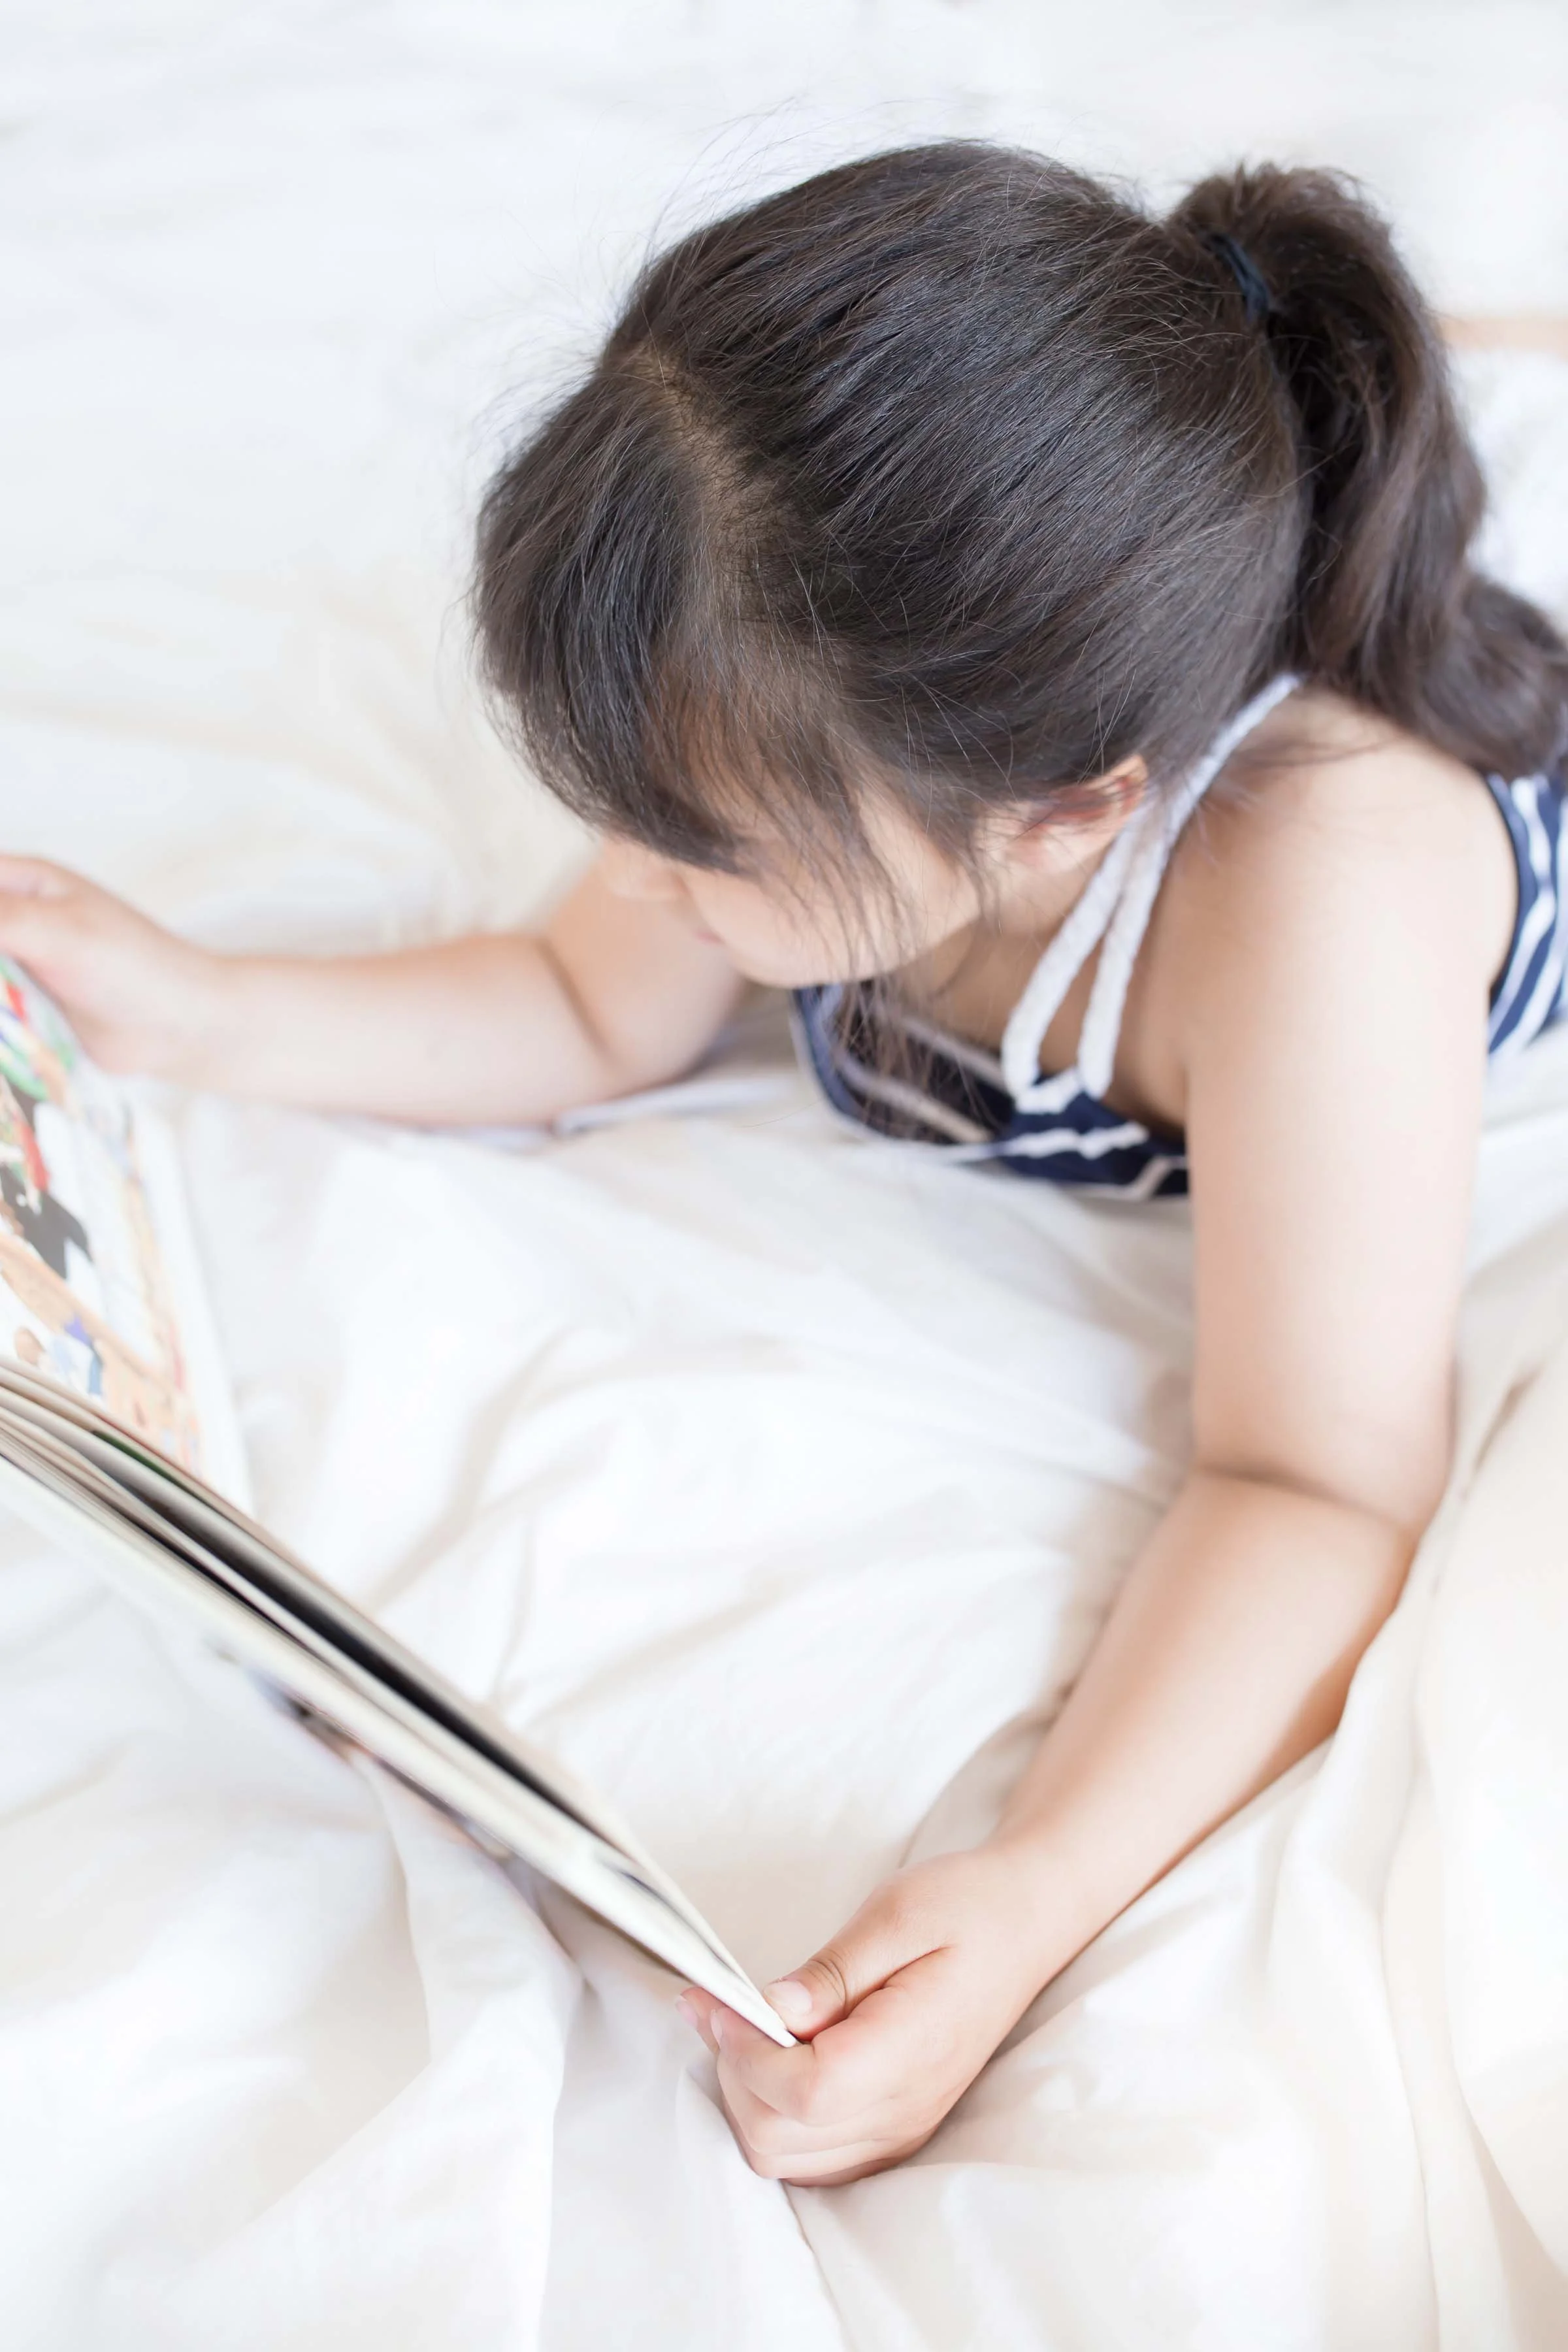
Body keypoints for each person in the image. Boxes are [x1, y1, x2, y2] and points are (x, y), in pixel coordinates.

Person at [1, 146, 1565, 2186]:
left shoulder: (1312, 900)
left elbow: (1319, 1473)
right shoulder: (794, 711)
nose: (638, 884)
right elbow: (581, 1006)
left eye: (692, 858)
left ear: (1059, 824)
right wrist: (193, 1009)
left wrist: (1028, 1897)